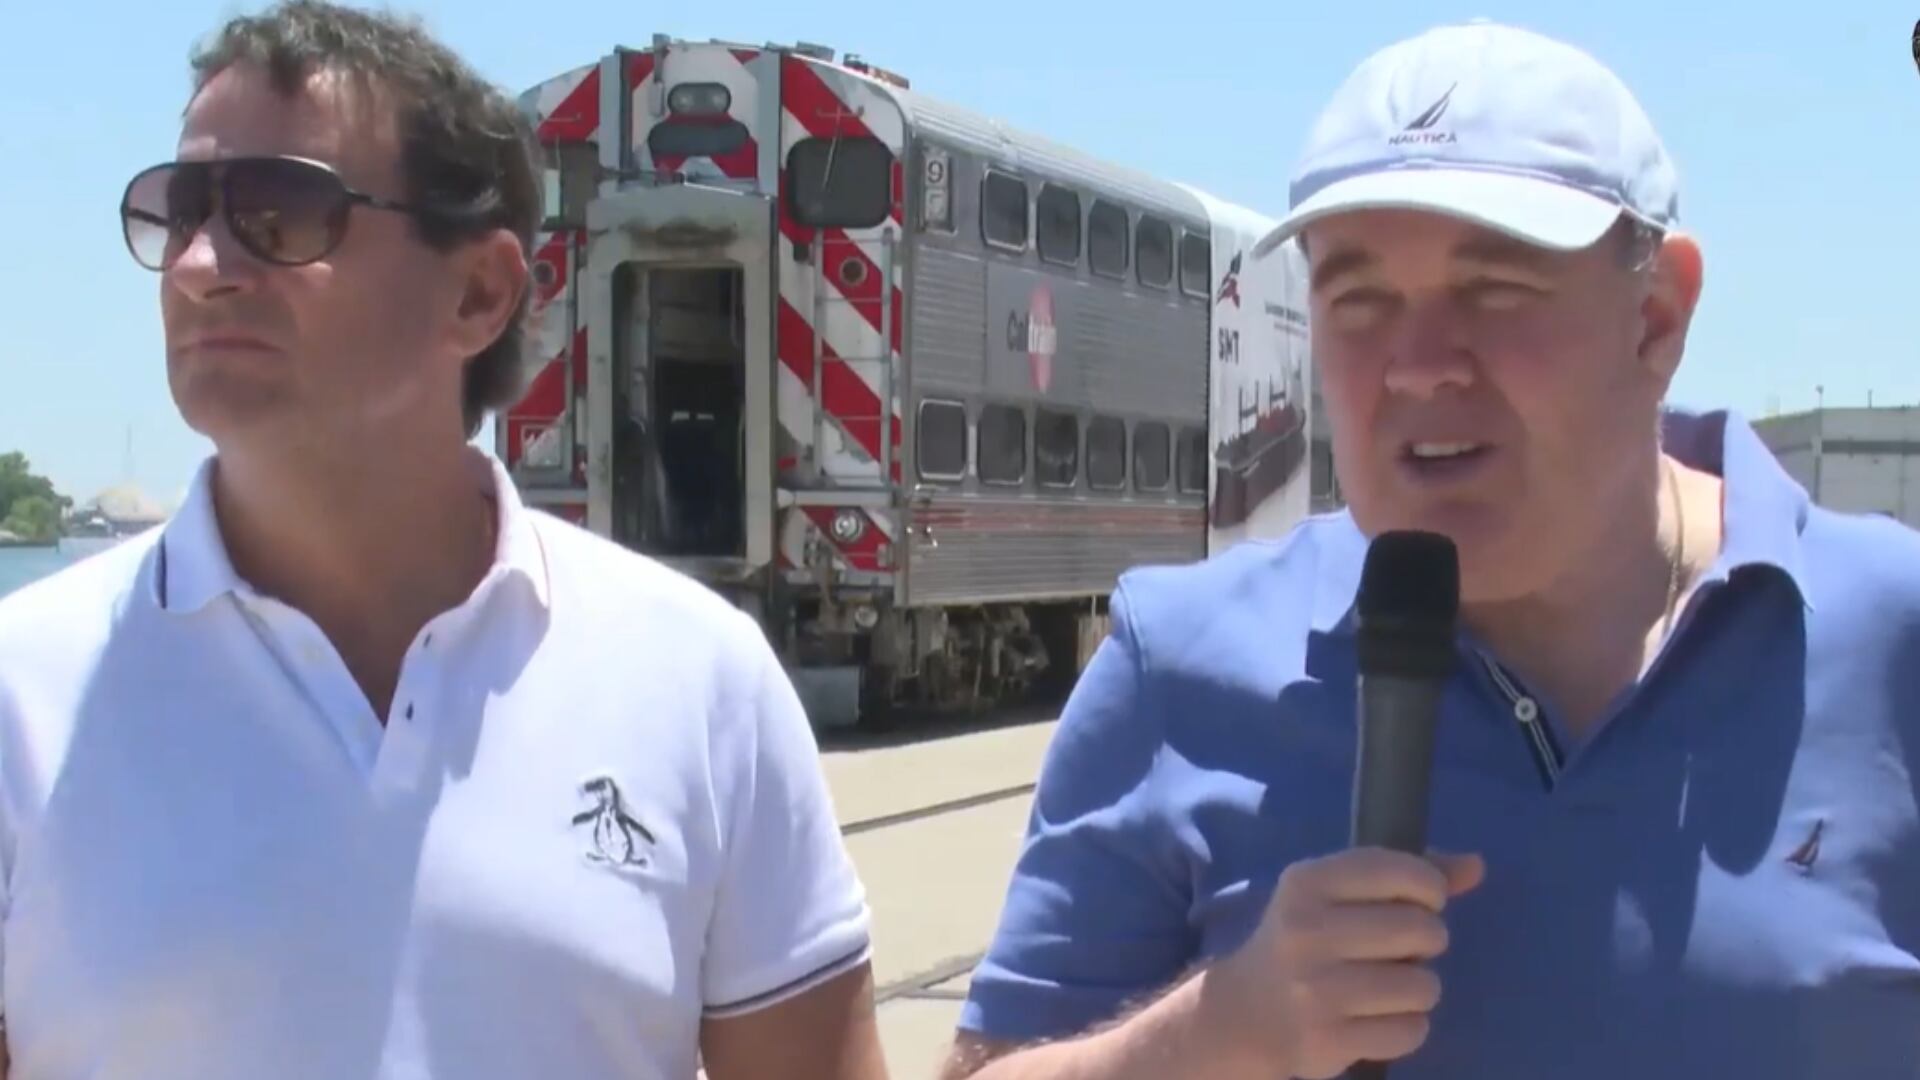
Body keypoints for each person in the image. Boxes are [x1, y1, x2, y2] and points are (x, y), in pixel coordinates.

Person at [941, 18, 1920, 1080]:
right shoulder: (1174, 665)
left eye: (1493, 289)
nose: (1415, 366)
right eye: (1359, 299)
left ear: (1657, 316)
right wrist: (1212, 1037)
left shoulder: (1889, 636)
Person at [0, 3, 888, 1079]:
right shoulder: (23, 697)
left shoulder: (701, 686)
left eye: (278, 213)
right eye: (179, 211)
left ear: (479, 292)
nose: (199, 265)